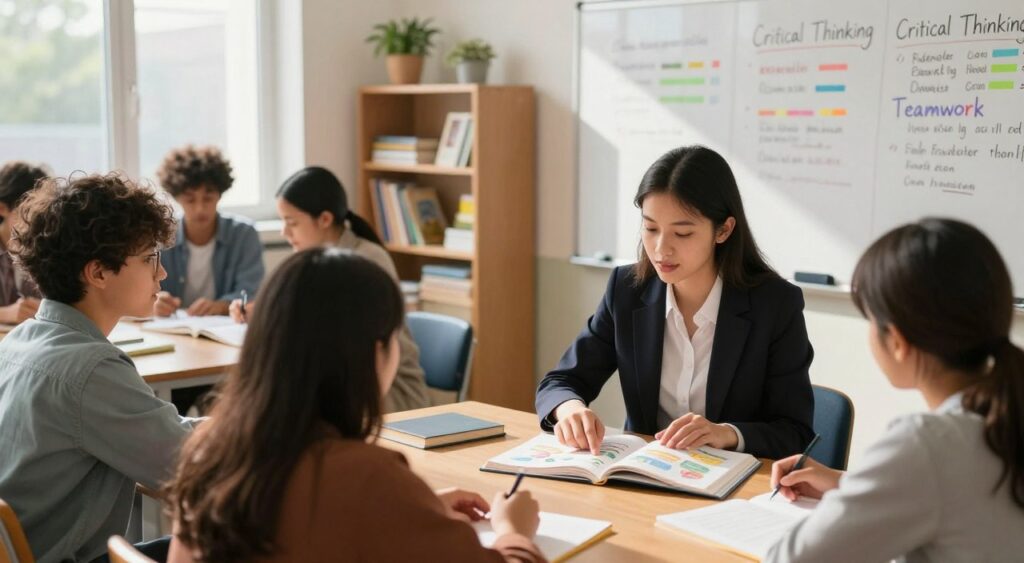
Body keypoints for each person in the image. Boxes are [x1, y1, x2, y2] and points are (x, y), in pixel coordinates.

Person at [167, 249, 544, 562]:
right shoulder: (366, 477)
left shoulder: (209, 450)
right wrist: (514, 531)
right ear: (374, 352)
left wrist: (413, 510)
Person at [765, 218, 1024, 562]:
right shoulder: (1003, 418)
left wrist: (852, 498)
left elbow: (791, 559)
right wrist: (849, 483)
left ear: (898, 342)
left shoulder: (926, 444)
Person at [536, 146, 814, 459]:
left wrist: (725, 433)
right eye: (651, 227)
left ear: (723, 230)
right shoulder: (627, 291)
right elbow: (560, 381)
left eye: (682, 233)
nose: (660, 249)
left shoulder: (775, 305)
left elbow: (795, 432)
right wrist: (569, 409)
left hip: (732, 484)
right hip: (647, 474)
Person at [0, 173, 197, 563]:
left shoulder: (18, 341)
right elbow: (184, 463)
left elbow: (160, 436)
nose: (162, 273)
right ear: (99, 272)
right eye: (149, 259)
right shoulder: (89, 369)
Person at [230, 166, 430, 412]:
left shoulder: (366, 261)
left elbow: (346, 339)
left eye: (292, 222)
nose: (284, 232)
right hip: (341, 382)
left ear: (324, 219)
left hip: (386, 390)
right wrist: (262, 314)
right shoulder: (313, 261)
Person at [153, 144, 264, 318]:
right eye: (190, 200)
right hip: (171, 329)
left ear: (220, 194)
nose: (200, 208)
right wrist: (153, 301)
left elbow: (250, 291)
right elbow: (141, 288)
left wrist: (222, 305)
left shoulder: (244, 234)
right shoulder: (161, 236)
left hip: (224, 328)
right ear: (176, 198)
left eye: (208, 198)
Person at [0, 160, 46, 325]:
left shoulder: (44, 247)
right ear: (2, 209)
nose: (38, 221)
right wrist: (6, 313)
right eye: (29, 211)